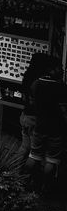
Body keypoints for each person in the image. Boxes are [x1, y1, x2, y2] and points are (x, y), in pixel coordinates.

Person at [28, 62, 67, 193]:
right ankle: (45, 186)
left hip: (39, 126)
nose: (61, 70)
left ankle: (30, 182)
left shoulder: (35, 84)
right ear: (51, 69)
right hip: (56, 129)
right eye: (59, 67)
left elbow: (32, 103)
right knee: (51, 159)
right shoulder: (60, 87)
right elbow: (63, 110)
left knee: (34, 155)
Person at [19, 52, 58, 166]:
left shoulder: (28, 76)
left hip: (25, 115)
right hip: (34, 119)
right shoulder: (40, 82)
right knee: (34, 152)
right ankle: (27, 176)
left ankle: (13, 170)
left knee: (24, 147)